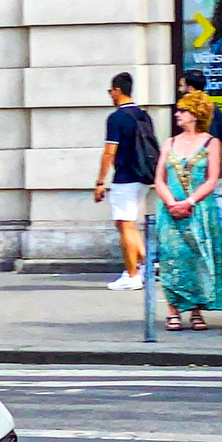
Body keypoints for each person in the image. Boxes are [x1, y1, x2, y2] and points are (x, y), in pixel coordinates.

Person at [150, 91, 222, 329]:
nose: (178, 114)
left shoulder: (211, 142)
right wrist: (171, 202)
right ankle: (173, 310)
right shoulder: (169, 142)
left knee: (197, 259)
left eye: (182, 110)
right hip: (170, 210)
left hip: (199, 210)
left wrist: (190, 201)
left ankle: (196, 310)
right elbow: (159, 178)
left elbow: (212, 178)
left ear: (195, 115)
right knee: (172, 258)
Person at [91, 73, 158, 290]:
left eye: (111, 91)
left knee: (126, 225)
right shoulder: (143, 115)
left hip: (125, 177)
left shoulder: (116, 118)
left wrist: (100, 181)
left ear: (118, 91)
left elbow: (109, 152)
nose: (110, 95)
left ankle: (132, 275)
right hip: (143, 176)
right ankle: (145, 266)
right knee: (126, 223)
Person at [178, 67, 222, 141]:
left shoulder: (209, 110)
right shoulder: (214, 109)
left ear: (190, 89)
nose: (179, 89)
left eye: (181, 86)